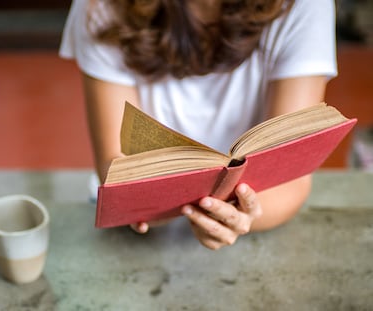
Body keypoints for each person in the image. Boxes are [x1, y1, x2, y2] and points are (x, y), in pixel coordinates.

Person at [60, 0, 337, 250]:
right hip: (144, 230)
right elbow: (115, 166)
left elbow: (292, 177)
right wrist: (137, 203)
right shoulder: (101, 5)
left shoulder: (303, 5)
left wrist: (236, 216)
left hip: (254, 217)